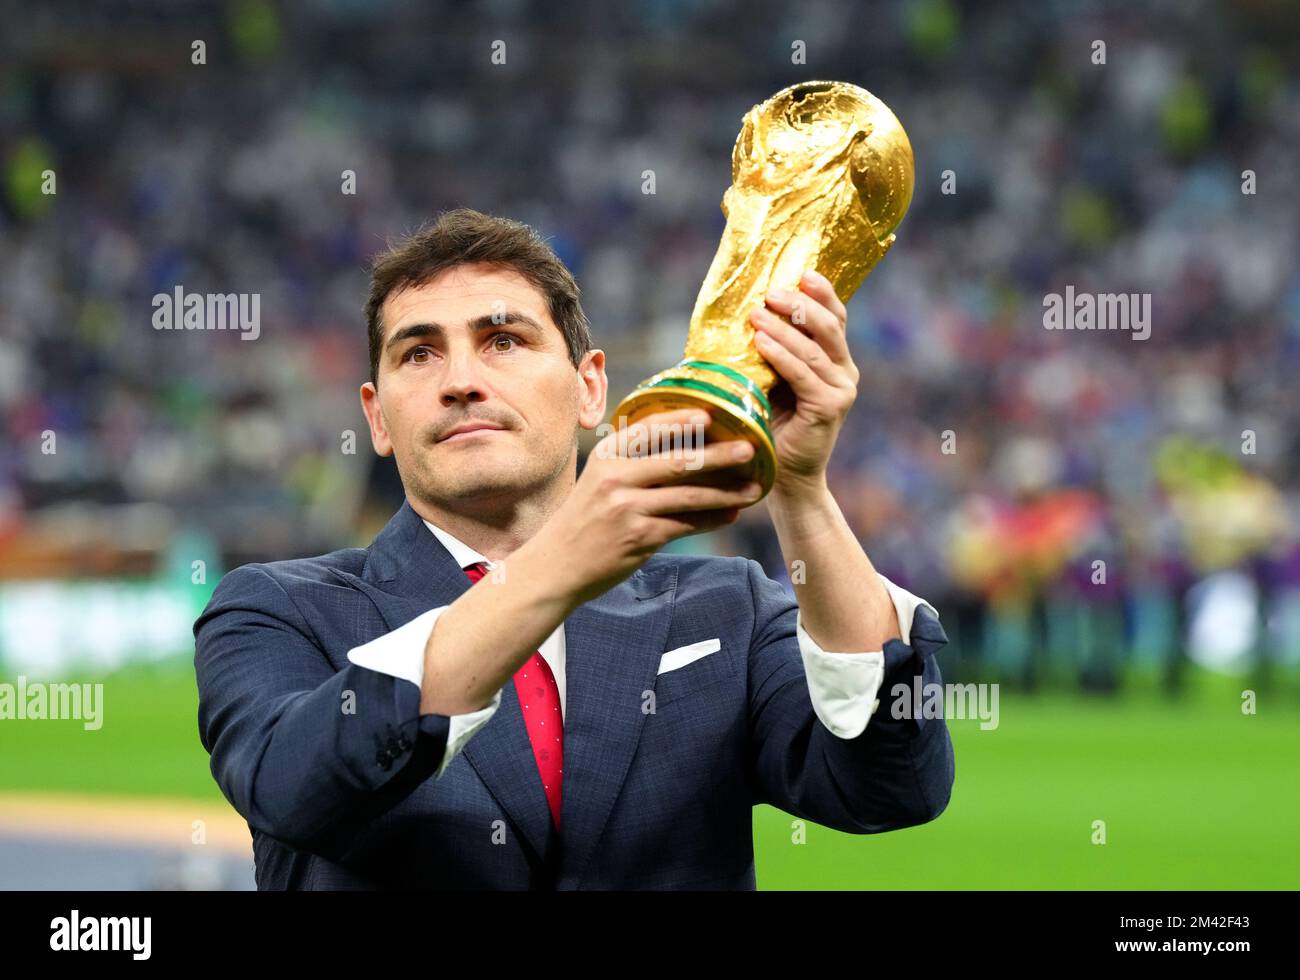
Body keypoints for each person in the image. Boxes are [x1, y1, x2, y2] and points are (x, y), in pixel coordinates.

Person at [193, 207, 954, 890]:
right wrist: (563, 560)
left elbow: (890, 787)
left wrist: (798, 487)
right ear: (378, 417)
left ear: (592, 389)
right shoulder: (277, 608)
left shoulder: (729, 609)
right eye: (418, 354)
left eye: (503, 340)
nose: (461, 380)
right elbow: (292, 786)